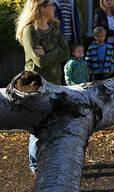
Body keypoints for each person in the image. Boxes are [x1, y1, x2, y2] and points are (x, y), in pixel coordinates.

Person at [15, 0, 70, 176]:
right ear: (41, 7)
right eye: (51, 4)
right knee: (38, 128)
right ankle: (35, 165)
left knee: (55, 124)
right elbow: (39, 62)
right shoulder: (30, 31)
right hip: (35, 85)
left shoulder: (55, 29)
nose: (55, 7)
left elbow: (67, 52)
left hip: (55, 83)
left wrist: (48, 52)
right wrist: (56, 52)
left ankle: (51, 161)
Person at [53, 0, 82, 84]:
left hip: (70, 41)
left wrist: (77, 40)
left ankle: (69, 90)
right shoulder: (54, 2)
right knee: (59, 68)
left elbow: (77, 21)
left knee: (69, 67)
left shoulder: (71, 2)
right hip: (57, 42)